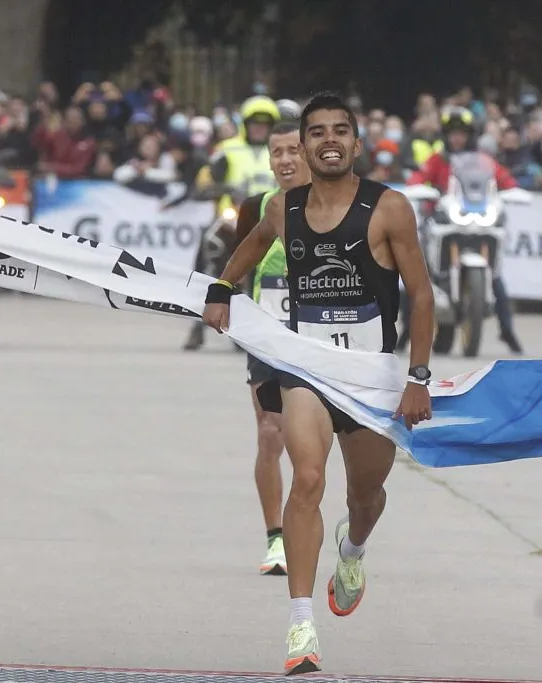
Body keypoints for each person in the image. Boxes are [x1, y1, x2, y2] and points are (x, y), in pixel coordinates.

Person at [201, 92, 435, 675]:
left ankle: (352, 549)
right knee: (307, 476)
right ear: (302, 146)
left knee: (365, 496)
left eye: (340, 131)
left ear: (356, 143)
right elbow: (248, 249)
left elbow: (423, 295)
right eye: (317, 133)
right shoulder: (284, 208)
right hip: (307, 370)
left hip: (373, 377)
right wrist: (219, 290)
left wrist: (418, 378)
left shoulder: (390, 208)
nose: (328, 140)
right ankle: (301, 624)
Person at [233, 120, 312, 577]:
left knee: (319, 443)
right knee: (269, 432)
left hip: (319, 339)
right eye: (276, 152)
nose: (284, 160)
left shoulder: (332, 206)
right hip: (267, 340)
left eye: (292, 151)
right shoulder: (257, 207)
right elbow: (238, 264)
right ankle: (276, 540)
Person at [405, 106, 524, 355]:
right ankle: (406, 330)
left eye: (462, 133)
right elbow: (418, 178)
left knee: (495, 275)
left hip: (474, 222)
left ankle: (508, 329)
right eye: (453, 133)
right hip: (442, 222)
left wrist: (512, 191)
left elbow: (506, 180)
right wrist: (421, 190)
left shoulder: (484, 162)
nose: (457, 137)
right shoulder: (438, 160)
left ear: (470, 135)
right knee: (416, 274)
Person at [183, 95, 282, 351]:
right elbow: (203, 184)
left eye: (265, 123)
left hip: (274, 222)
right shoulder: (227, 149)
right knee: (209, 248)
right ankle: (197, 323)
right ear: (245, 124)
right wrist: (220, 187)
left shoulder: (283, 149)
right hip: (234, 220)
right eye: (255, 122)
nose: (260, 128)